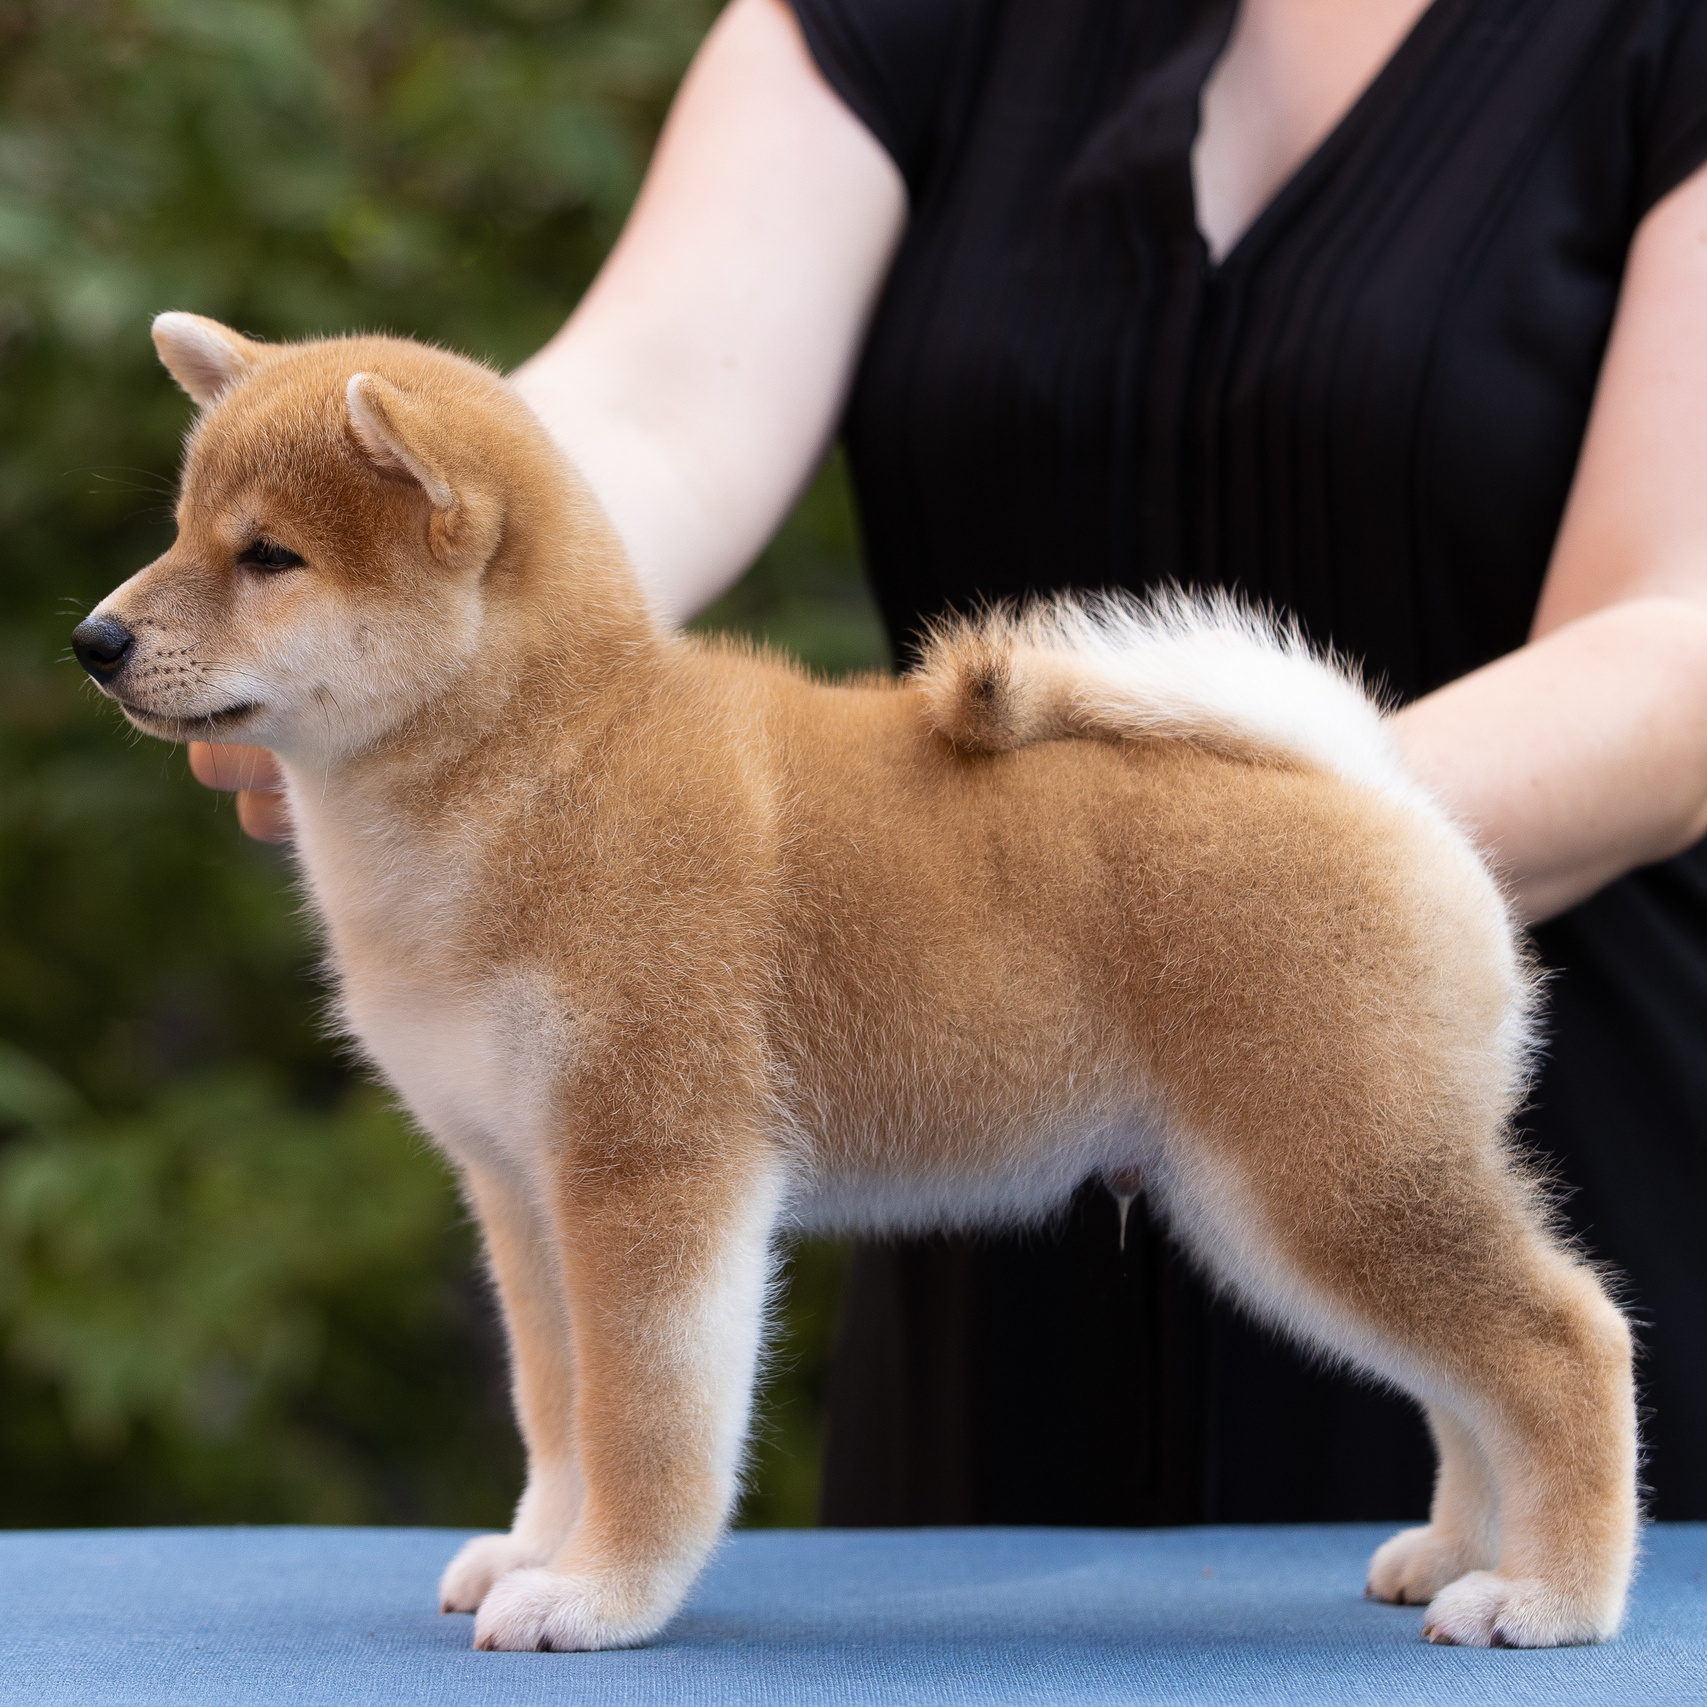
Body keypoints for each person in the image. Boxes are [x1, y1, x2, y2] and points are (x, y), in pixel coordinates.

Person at [189, 0, 1707, 1522]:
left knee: (1425, 1271)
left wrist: (1227, 894)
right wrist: (447, 635)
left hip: (1535, 1047)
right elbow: (649, 410)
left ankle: (1563, 1496)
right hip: (956, 1157)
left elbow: (1679, 642)